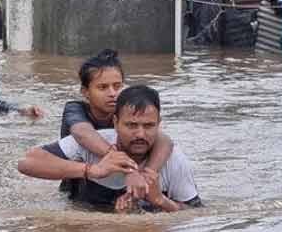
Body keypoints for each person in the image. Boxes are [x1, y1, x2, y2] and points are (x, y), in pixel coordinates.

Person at [18, 86, 202, 212]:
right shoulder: (94, 144)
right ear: (115, 123)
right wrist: (92, 170)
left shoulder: (174, 161)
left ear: (159, 125)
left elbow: (197, 215)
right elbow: (27, 162)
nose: (140, 134)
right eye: (131, 125)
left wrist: (161, 201)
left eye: (148, 126)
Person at [59, 50, 174, 195]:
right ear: (85, 92)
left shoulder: (127, 112)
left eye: (117, 86)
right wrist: (125, 164)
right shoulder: (75, 109)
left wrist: (146, 174)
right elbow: (82, 132)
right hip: (78, 187)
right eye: (103, 87)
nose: (113, 93)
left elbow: (164, 140)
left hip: (122, 183)